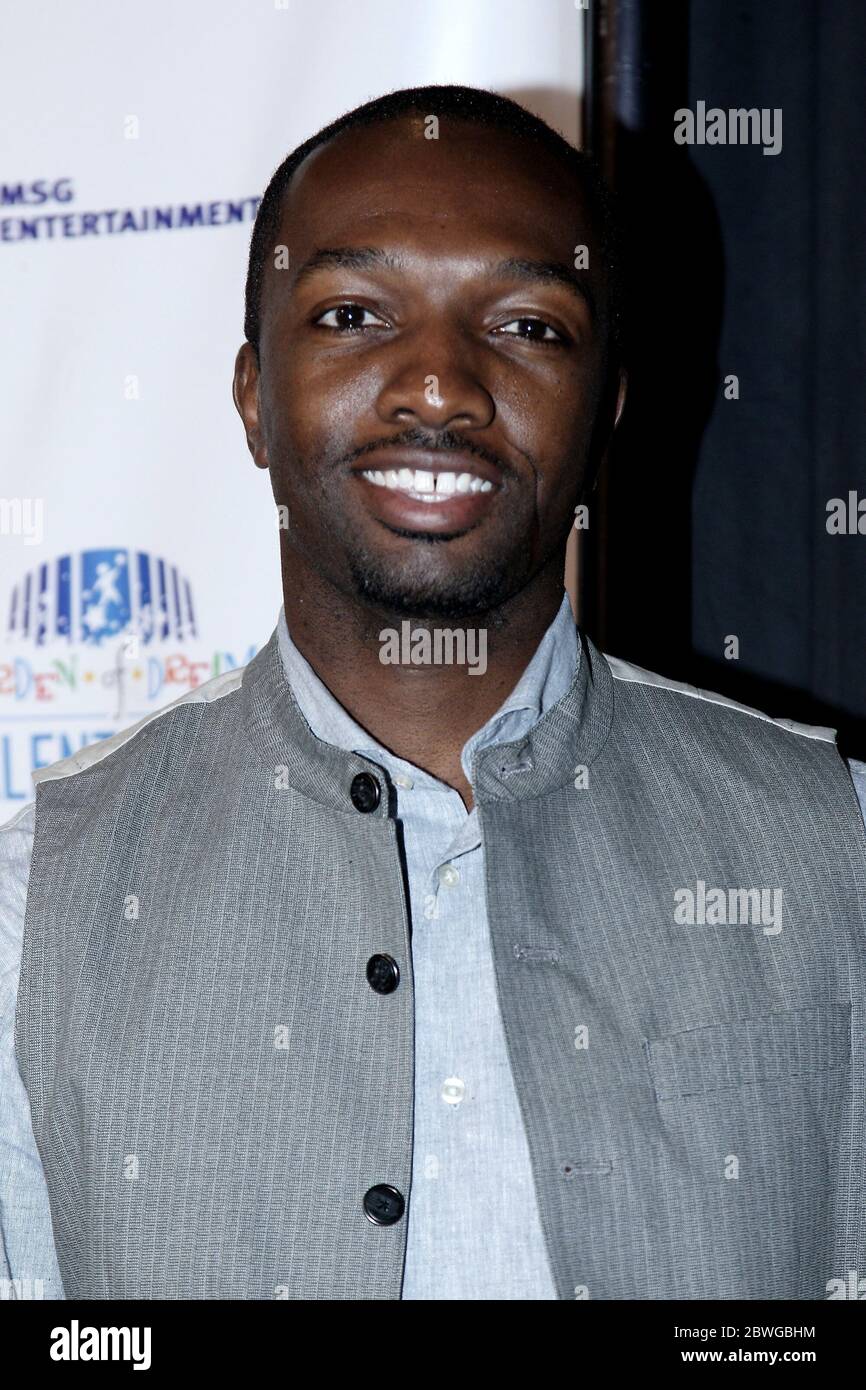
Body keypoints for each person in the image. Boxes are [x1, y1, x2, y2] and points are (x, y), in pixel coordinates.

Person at [2, 84, 865, 1302]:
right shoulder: (37, 908)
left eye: (525, 326)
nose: (438, 388)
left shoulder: (835, 848)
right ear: (255, 398)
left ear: (604, 412)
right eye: (353, 313)